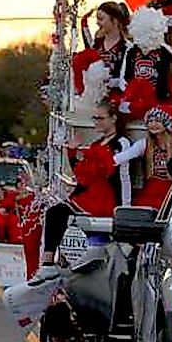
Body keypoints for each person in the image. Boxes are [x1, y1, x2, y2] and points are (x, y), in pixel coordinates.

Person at [42, 101, 132, 267]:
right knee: (54, 213)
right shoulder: (98, 143)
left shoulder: (120, 143)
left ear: (113, 119)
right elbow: (83, 174)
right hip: (90, 193)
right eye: (94, 118)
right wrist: (73, 155)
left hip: (105, 197)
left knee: (58, 213)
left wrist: (124, 207)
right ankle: (50, 261)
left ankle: (49, 262)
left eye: (100, 118)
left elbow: (113, 173)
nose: (96, 122)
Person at [113, 105, 172, 210]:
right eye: (150, 121)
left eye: (158, 120)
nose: (153, 124)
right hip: (152, 193)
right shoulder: (145, 144)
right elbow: (124, 156)